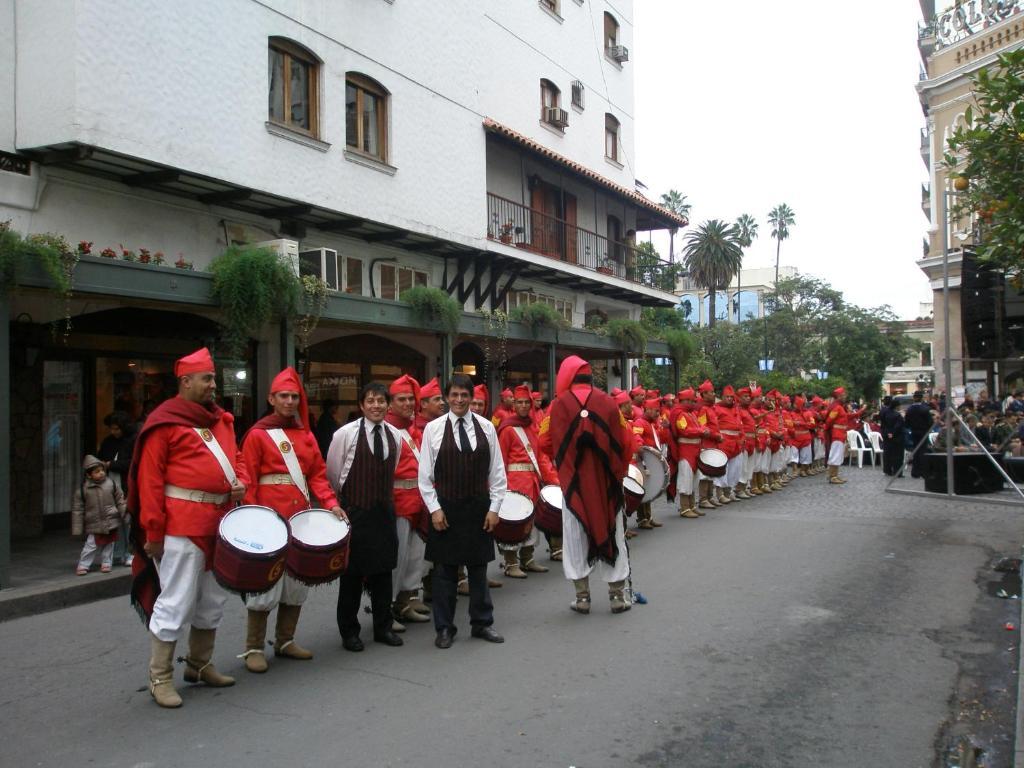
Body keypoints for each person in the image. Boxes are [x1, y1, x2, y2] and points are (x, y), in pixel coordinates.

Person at [128, 347, 248, 708]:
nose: (214, 385)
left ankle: (199, 664)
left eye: (213, 378)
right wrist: (153, 532)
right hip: (181, 526)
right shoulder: (164, 423)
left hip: (220, 524)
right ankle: (160, 676)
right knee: (176, 600)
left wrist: (241, 481)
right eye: (207, 378)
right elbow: (149, 481)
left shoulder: (222, 421)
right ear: (185, 381)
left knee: (212, 598)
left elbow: (237, 459)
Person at [239, 368, 344, 673]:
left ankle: (285, 640)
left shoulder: (306, 434)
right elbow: (249, 480)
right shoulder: (258, 435)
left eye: (294, 396)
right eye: (283, 396)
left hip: (300, 520)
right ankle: (253, 648)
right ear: (271, 399)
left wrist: (331, 504)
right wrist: (252, 515)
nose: (288, 401)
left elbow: (318, 477)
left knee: (297, 581)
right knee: (264, 584)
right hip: (268, 520)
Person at [418, 373, 507, 649]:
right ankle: (444, 627)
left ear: (472, 398)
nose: (459, 400)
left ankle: (482, 623)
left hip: (478, 507)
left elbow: (498, 472)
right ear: (447, 397)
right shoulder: (432, 429)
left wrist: (494, 508)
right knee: (445, 572)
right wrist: (434, 509)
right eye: (454, 394)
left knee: (478, 569)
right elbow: (424, 477)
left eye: (464, 395)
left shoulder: (486, 427)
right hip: (446, 508)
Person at [539, 356, 634, 615]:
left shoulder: (556, 406)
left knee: (575, 538)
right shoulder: (609, 403)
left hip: (573, 485)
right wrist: (619, 470)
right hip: (607, 486)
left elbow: (544, 443)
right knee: (613, 532)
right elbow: (627, 442)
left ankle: (582, 598)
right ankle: (616, 596)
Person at [327, 382, 405, 652]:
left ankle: (383, 626)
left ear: (388, 405)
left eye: (381, 401)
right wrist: (349, 501)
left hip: (384, 511)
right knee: (351, 574)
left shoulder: (395, 435)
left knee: (384, 572)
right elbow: (334, 474)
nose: (376, 406)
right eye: (370, 401)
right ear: (361, 405)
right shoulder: (345, 434)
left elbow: (391, 469)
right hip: (355, 511)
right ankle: (349, 631)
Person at [495, 384, 559, 578]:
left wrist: (552, 480)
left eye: (526, 402)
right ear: (514, 404)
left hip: (532, 481)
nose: (523, 406)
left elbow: (541, 457)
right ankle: (510, 562)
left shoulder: (534, 426)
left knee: (531, 522)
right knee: (514, 522)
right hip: (514, 483)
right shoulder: (507, 429)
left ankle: (528, 558)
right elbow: (501, 461)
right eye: (519, 402)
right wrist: (501, 488)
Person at [386, 374, 432, 628]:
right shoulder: (388, 430)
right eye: (401, 399)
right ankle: (388, 608)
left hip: (418, 501)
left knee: (415, 557)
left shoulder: (413, 431)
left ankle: (405, 602)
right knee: (398, 558)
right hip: (398, 504)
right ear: (390, 403)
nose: (407, 403)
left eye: (410, 399)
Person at [72, 455, 127, 575]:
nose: (101, 473)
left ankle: (106, 563)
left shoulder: (111, 484)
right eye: (97, 472)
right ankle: (83, 564)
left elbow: (120, 500)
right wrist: (77, 528)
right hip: (94, 522)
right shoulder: (83, 490)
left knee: (109, 544)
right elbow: (78, 510)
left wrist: (124, 513)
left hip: (110, 520)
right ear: (88, 474)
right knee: (91, 545)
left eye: (102, 470)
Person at [97, 411, 138, 566]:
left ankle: (129, 552)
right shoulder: (109, 441)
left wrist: (111, 464)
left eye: (116, 429)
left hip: (126, 484)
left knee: (127, 520)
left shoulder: (133, 440)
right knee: (115, 520)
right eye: (111, 428)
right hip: (111, 483)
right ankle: (118, 552)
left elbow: (134, 462)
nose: (113, 432)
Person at [669, 388, 705, 518]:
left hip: (695, 449)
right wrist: (700, 432)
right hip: (686, 450)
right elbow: (684, 431)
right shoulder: (680, 414)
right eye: (688, 400)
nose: (691, 403)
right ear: (682, 400)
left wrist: (702, 430)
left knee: (694, 478)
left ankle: (692, 505)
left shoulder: (692, 414)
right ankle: (684, 507)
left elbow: (698, 427)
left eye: (692, 400)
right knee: (686, 478)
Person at [824, 387, 852, 485]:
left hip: (840, 433)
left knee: (838, 455)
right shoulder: (837, 407)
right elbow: (829, 421)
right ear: (839, 396)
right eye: (844, 395)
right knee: (835, 455)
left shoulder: (839, 407)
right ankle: (833, 476)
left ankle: (834, 475)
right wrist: (827, 430)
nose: (845, 397)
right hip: (837, 433)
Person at [904, 390, 933, 478]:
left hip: (914, 432)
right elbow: (930, 422)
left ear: (914, 398)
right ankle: (923, 471)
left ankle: (915, 472)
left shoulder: (909, 409)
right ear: (921, 398)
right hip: (923, 432)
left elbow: (907, 423)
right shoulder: (925, 409)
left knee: (916, 450)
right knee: (923, 451)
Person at [879, 396, 906, 476]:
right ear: (897, 406)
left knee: (887, 453)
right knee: (898, 455)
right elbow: (898, 426)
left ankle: (887, 470)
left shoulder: (885, 413)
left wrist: (887, 433)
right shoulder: (897, 415)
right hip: (897, 437)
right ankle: (897, 472)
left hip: (886, 435)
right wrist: (893, 433)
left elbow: (883, 424)